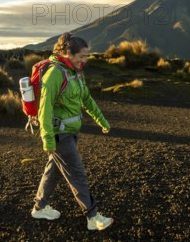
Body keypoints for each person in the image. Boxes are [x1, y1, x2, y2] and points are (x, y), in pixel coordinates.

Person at [31, 33, 114, 231]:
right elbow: (45, 109)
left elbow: (87, 99)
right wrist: (48, 140)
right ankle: (92, 216)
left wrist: (102, 120)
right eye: (81, 56)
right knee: (77, 174)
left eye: (86, 56)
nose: (84, 61)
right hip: (60, 135)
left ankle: (39, 207)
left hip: (71, 132)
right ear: (68, 53)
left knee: (53, 172)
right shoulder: (54, 74)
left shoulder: (75, 72)